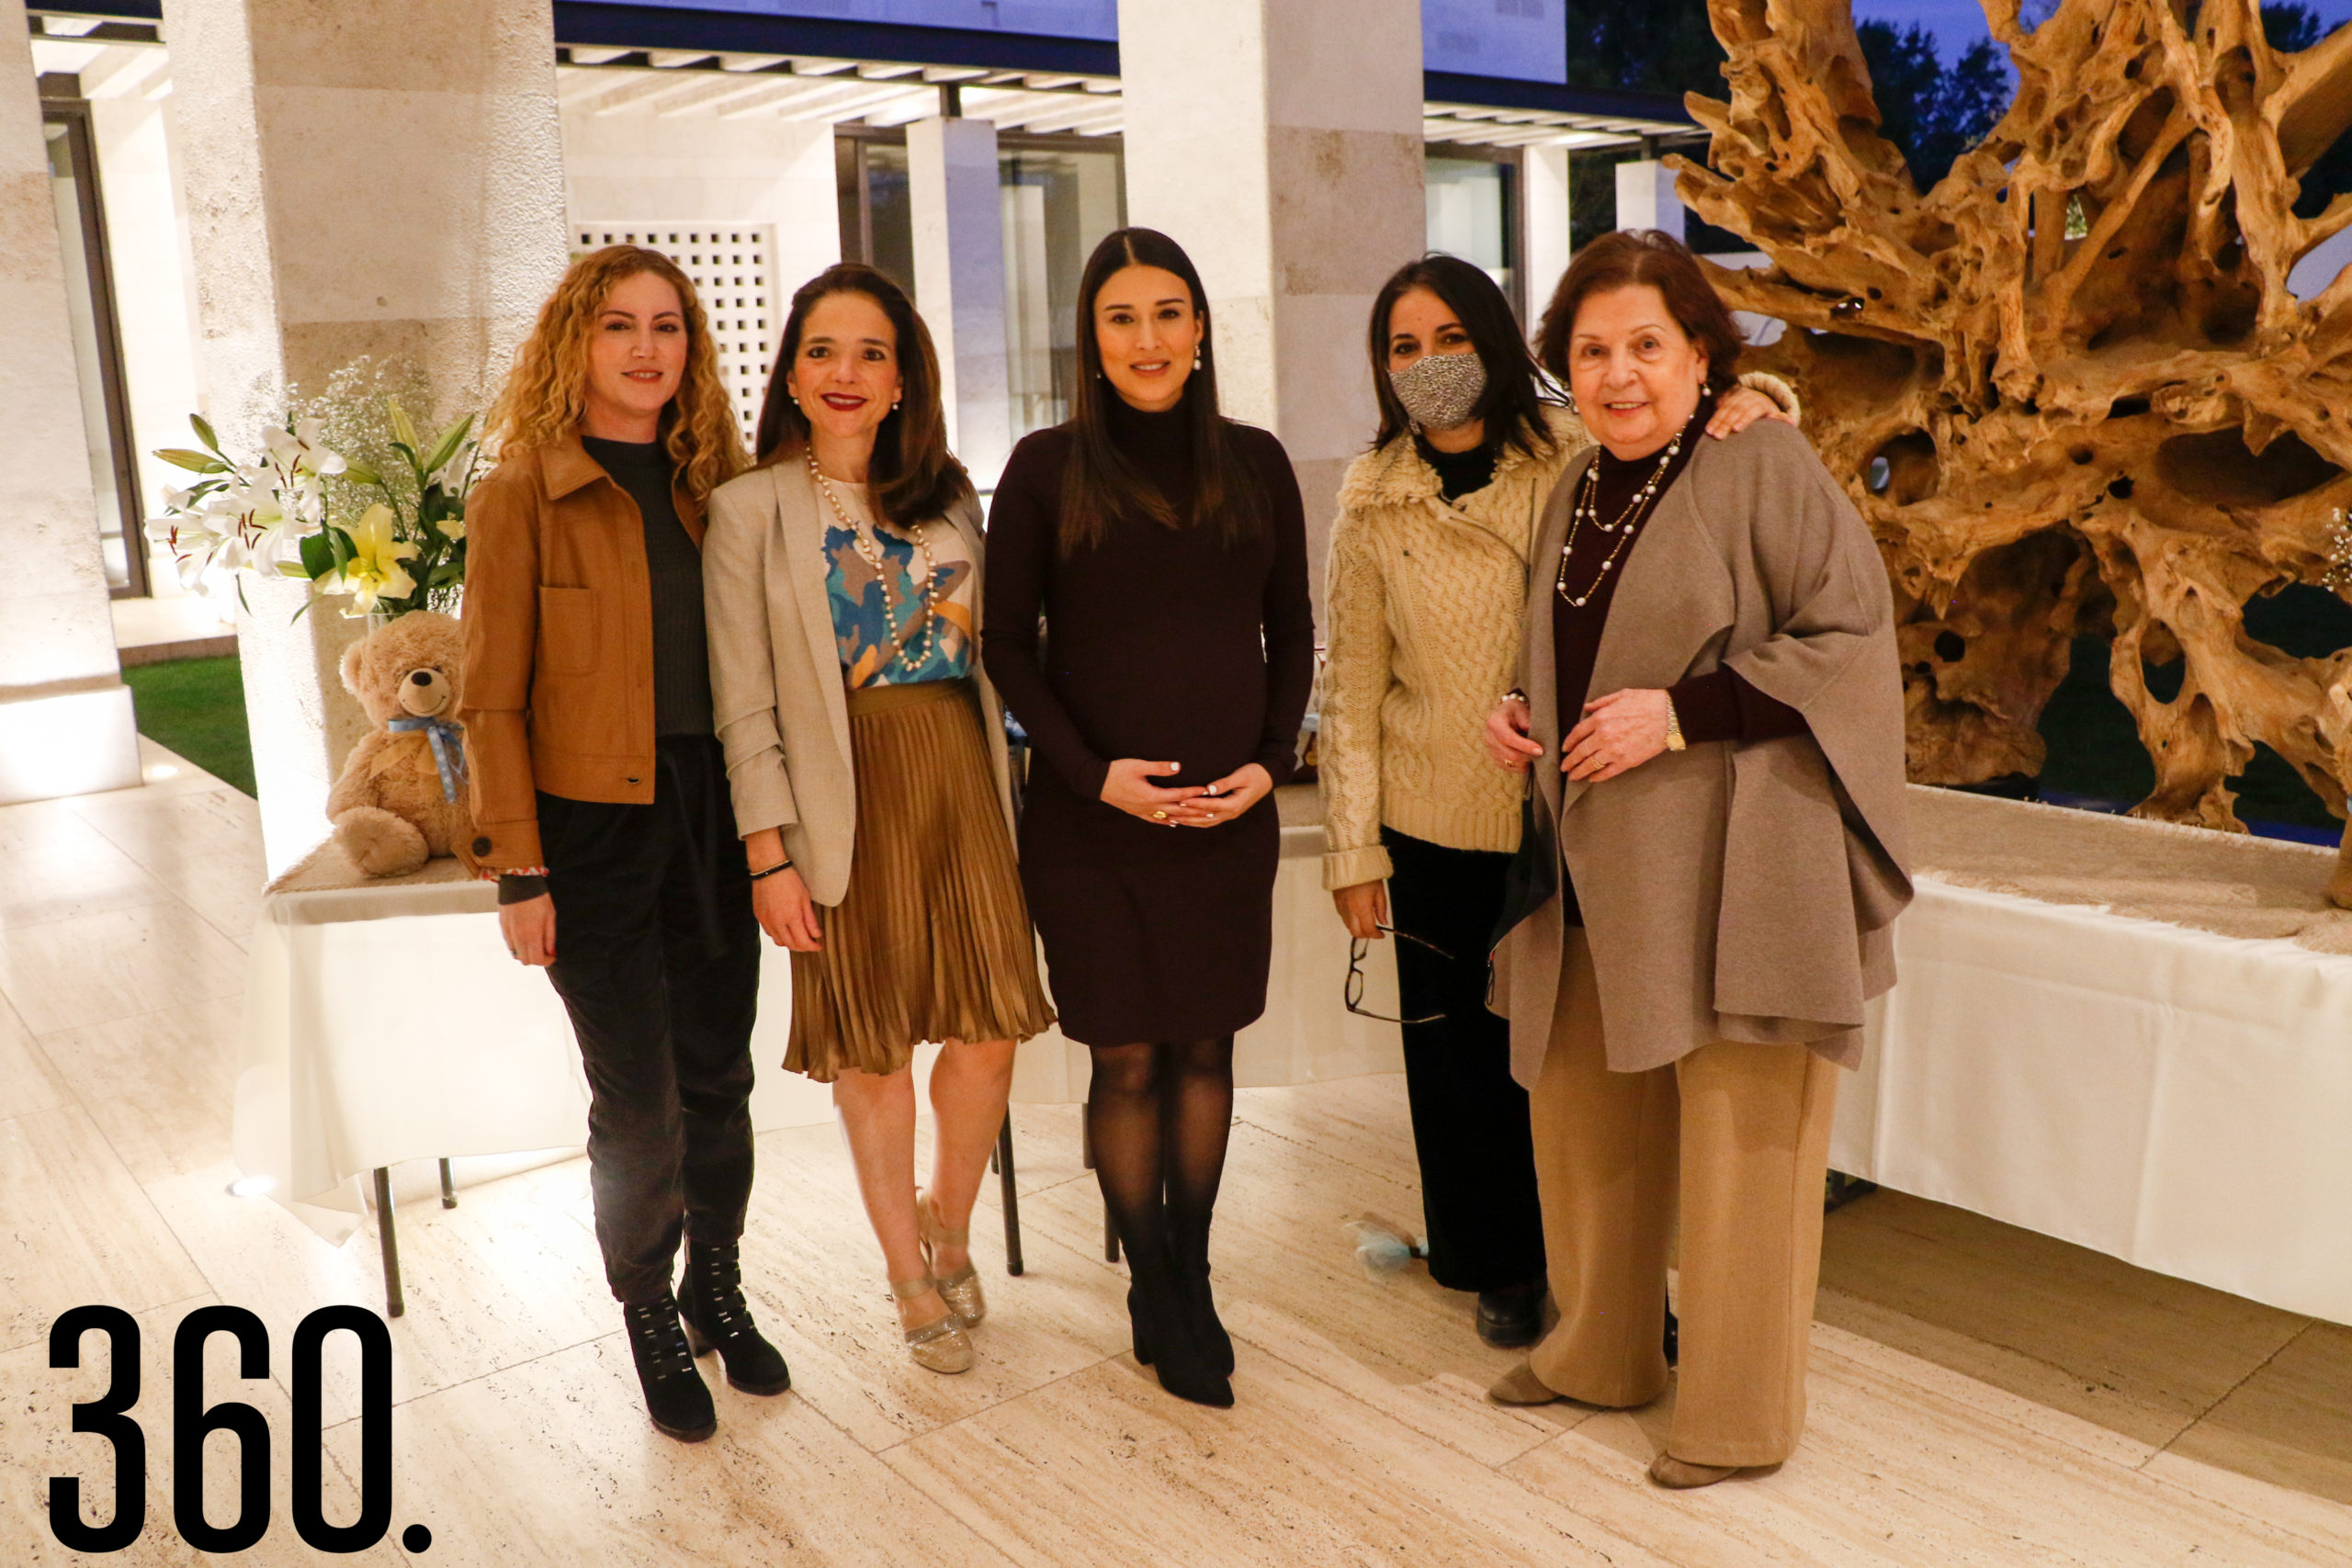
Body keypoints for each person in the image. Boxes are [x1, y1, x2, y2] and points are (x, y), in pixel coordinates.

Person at [1478, 230, 1911, 1489]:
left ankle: (1737, 1414)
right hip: (1597, 857)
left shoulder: (1758, 458)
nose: (1618, 373)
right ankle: (1601, 1349)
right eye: (1593, 349)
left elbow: (1851, 628)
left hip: (1744, 852)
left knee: (1745, 1132)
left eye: (1647, 347)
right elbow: (1568, 636)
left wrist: (1681, 711)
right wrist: (1519, 702)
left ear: (1704, 355)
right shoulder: (1575, 483)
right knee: (1583, 1103)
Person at [1318, 254, 1797, 1350]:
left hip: (1568, 819)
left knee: (1582, 1067)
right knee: (1457, 1066)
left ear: (1495, 343)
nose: (1430, 365)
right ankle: (1496, 1264)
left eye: (1451, 339)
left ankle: (1618, 1276)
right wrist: (1352, 849)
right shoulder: (1370, 497)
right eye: (1404, 347)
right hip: (1428, 818)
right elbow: (1347, 685)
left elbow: (1681, 441)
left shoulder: (1574, 450)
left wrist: (1754, 397)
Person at [982, 227, 1316, 1409]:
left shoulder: (1255, 462)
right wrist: (1089, 773)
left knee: (1206, 1048)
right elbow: (1003, 647)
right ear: (1092, 338)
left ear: (1201, 328)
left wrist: (1272, 764)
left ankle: (1192, 1271)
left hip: (1228, 818)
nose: (1148, 339)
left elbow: (1293, 632)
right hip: (1093, 823)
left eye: (1168, 312)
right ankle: (1151, 1283)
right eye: (1122, 318)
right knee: (1125, 1056)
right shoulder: (1042, 466)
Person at [702, 264, 1055, 1377]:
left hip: (959, 777)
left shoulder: (949, 494)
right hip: (836, 799)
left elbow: (1000, 654)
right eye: (821, 351)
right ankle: (906, 1269)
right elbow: (741, 698)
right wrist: (768, 853)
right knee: (873, 1050)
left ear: (904, 378)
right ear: (791, 374)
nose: (844, 373)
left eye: (870, 353)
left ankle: (948, 1218)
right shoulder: (747, 509)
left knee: (989, 1029)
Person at [462, 245, 786, 1444]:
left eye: (667, 327)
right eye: (617, 327)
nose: (647, 349)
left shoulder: (719, 488)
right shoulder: (520, 493)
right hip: (591, 831)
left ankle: (718, 1281)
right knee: (637, 1100)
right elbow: (491, 696)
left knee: (720, 1076)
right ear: (574, 345)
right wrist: (521, 868)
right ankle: (648, 1303)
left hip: (709, 811)